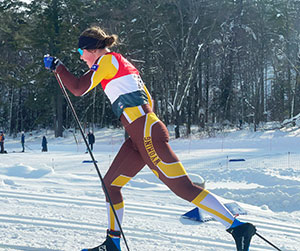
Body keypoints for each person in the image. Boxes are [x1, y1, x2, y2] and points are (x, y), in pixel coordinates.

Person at [44, 26, 256, 251]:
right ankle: (112, 243)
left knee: (183, 188)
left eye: (80, 52)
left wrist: (59, 67)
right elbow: (149, 99)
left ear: (92, 49)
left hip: (145, 134)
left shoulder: (107, 60)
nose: (81, 57)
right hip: (140, 136)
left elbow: (78, 88)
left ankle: (237, 226)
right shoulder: (122, 64)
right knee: (111, 185)